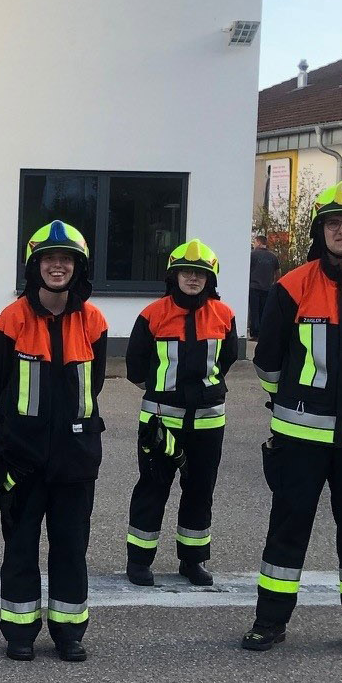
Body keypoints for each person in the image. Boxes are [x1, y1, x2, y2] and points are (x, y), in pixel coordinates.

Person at [244, 182, 342, 656]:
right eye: (334, 223)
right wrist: (291, 402)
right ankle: (269, 622)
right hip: (299, 436)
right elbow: (267, 360)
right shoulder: (292, 286)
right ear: (321, 231)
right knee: (287, 529)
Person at [0, 221, 110, 662]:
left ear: (79, 267)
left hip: (76, 460)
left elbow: (93, 387)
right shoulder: (11, 318)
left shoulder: (93, 320)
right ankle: (19, 632)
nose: (58, 266)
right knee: (20, 547)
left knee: (71, 548)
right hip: (23, 460)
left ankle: (69, 632)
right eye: (49, 259)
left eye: (66, 259)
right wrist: (17, 441)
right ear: (34, 266)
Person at [124, 238, 238, 588]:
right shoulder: (152, 314)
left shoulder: (224, 315)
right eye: (186, 272)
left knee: (200, 491)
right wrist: (164, 392)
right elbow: (135, 366)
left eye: (199, 273)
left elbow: (228, 358)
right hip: (161, 420)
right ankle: (139, 561)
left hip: (208, 422)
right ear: (173, 276)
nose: (192, 278)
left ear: (210, 279)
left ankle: (193, 560)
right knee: (152, 490)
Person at [247, 233, 279, 340]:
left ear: (259, 242)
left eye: (255, 242)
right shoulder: (273, 257)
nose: (254, 244)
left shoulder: (252, 255)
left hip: (254, 287)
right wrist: (274, 284)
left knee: (254, 311)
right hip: (267, 288)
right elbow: (278, 272)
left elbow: (246, 269)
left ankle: (255, 333)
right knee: (263, 311)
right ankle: (262, 333)